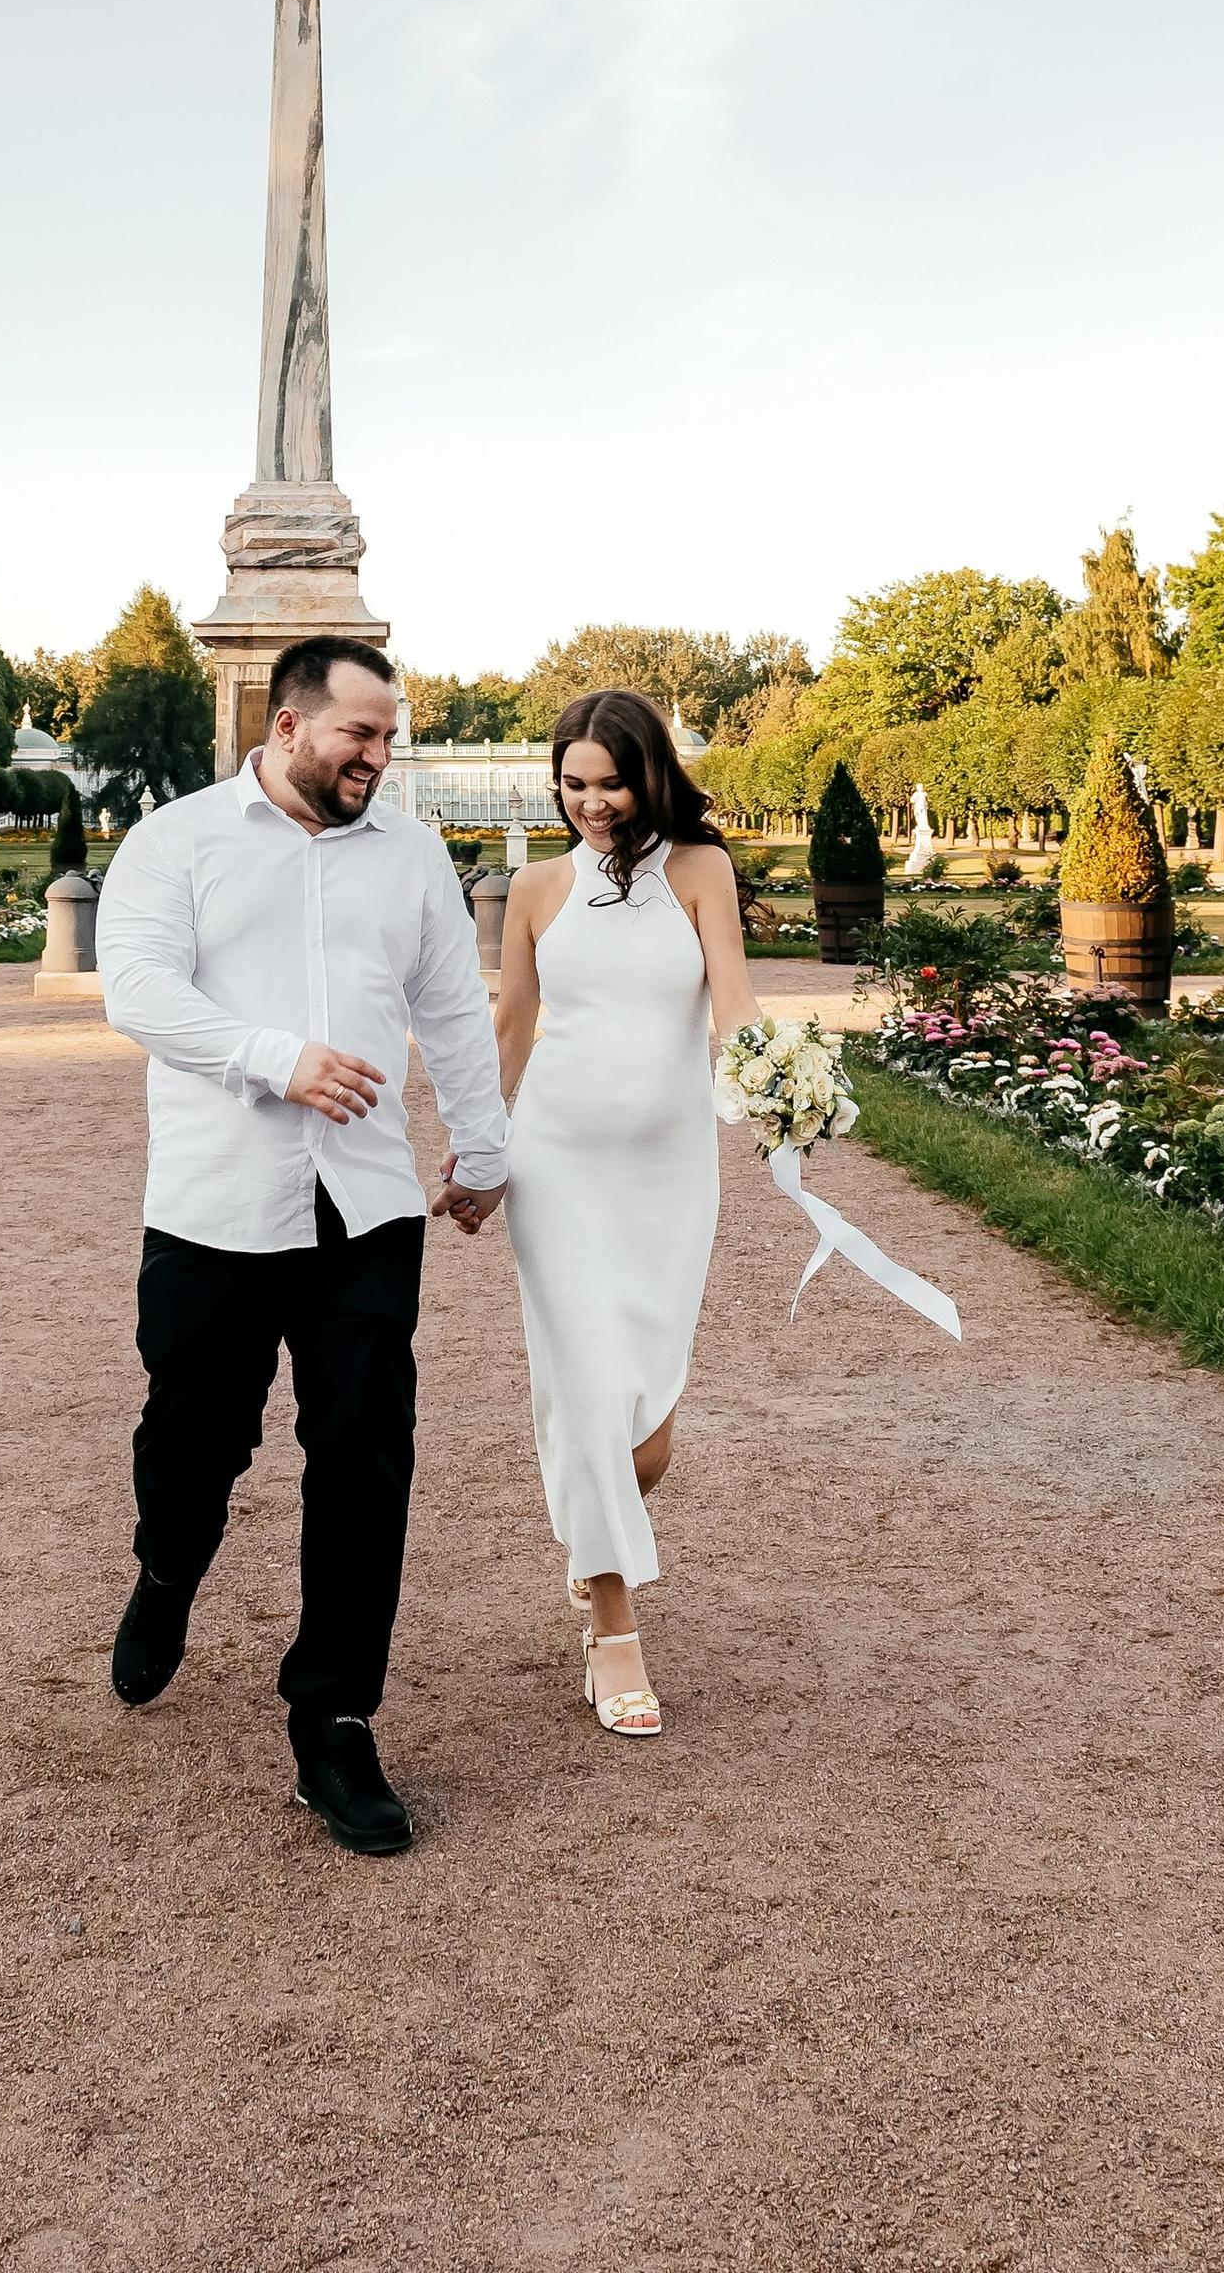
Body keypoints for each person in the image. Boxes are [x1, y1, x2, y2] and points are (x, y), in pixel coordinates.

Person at [95, 636, 508, 1856]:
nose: (379, 758)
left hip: (368, 1211)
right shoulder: (176, 841)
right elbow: (137, 992)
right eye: (359, 736)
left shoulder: (414, 852)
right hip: (218, 1205)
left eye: (390, 739)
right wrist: (280, 1060)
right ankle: (168, 1572)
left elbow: (448, 1007)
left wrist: (482, 1150)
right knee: (195, 1439)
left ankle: (333, 1720)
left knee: (367, 1454)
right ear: (285, 728)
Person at [492, 688, 751, 1738]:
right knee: (592, 1398)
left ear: (652, 776)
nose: (592, 804)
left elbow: (731, 999)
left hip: (669, 1173)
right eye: (573, 785)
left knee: (647, 1445)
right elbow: (511, 1023)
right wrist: (477, 1152)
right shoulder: (532, 888)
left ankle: (595, 1531)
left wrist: (774, 1082)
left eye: (611, 782)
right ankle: (612, 1630)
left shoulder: (700, 873)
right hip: (553, 1167)